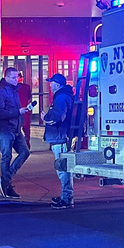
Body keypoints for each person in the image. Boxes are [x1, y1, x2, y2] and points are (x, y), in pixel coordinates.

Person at [0, 66, 31, 198]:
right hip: (6, 129)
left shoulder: (13, 90)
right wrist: (18, 112)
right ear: (6, 77)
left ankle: (6, 179)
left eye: (18, 77)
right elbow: (0, 112)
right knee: (7, 156)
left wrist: (20, 114)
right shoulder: (1, 91)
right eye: (14, 77)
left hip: (16, 128)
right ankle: (7, 185)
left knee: (25, 152)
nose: (17, 79)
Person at [43, 72, 75, 209]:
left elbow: (57, 117)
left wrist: (45, 117)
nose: (50, 85)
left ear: (57, 84)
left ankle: (67, 198)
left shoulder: (61, 97)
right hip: (61, 136)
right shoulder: (63, 95)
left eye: (51, 83)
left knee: (63, 169)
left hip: (60, 137)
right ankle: (65, 196)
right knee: (62, 168)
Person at [17, 72, 33, 150]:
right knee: (26, 128)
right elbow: (28, 97)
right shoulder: (26, 87)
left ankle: (19, 146)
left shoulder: (12, 88)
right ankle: (27, 144)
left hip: (16, 110)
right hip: (25, 110)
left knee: (16, 127)